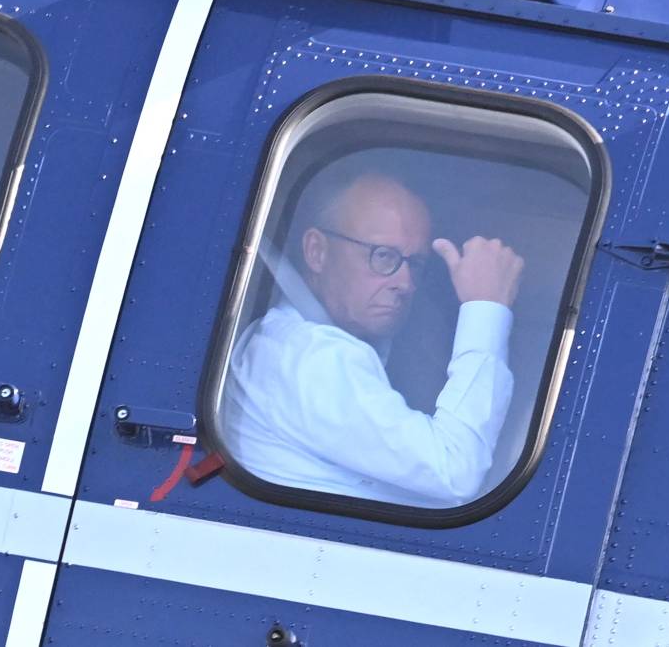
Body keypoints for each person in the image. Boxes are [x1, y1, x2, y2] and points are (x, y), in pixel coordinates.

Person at [220, 174, 525, 507]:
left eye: (415, 264)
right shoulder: (312, 356)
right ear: (317, 251)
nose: (405, 283)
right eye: (383, 256)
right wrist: (486, 307)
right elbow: (454, 470)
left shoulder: (290, 342)